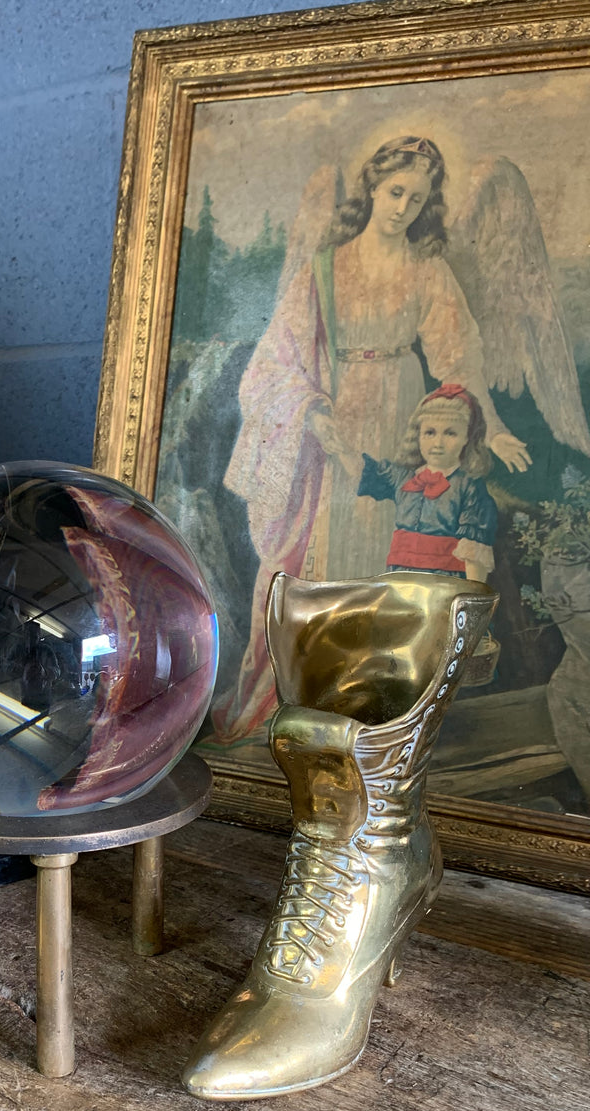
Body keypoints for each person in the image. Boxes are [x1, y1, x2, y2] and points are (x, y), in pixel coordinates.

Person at [212, 134, 529, 743]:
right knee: (331, 554)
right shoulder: (325, 268)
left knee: (400, 553)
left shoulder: (427, 270)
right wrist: (310, 412)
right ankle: (320, 703)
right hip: (337, 423)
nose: (403, 207)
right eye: (395, 192)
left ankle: (384, 711)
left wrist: (496, 423)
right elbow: (274, 361)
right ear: (372, 189)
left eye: (417, 198)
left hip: (405, 423)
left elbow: (459, 359)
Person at [334, 383, 499, 581]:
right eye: (430, 432)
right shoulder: (402, 478)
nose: (438, 443)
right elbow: (361, 471)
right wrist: (339, 447)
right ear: (417, 435)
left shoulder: (468, 486)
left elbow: (475, 554)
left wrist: (471, 600)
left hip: (445, 581)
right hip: (400, 577)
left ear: (467, 438)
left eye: (450, 433)